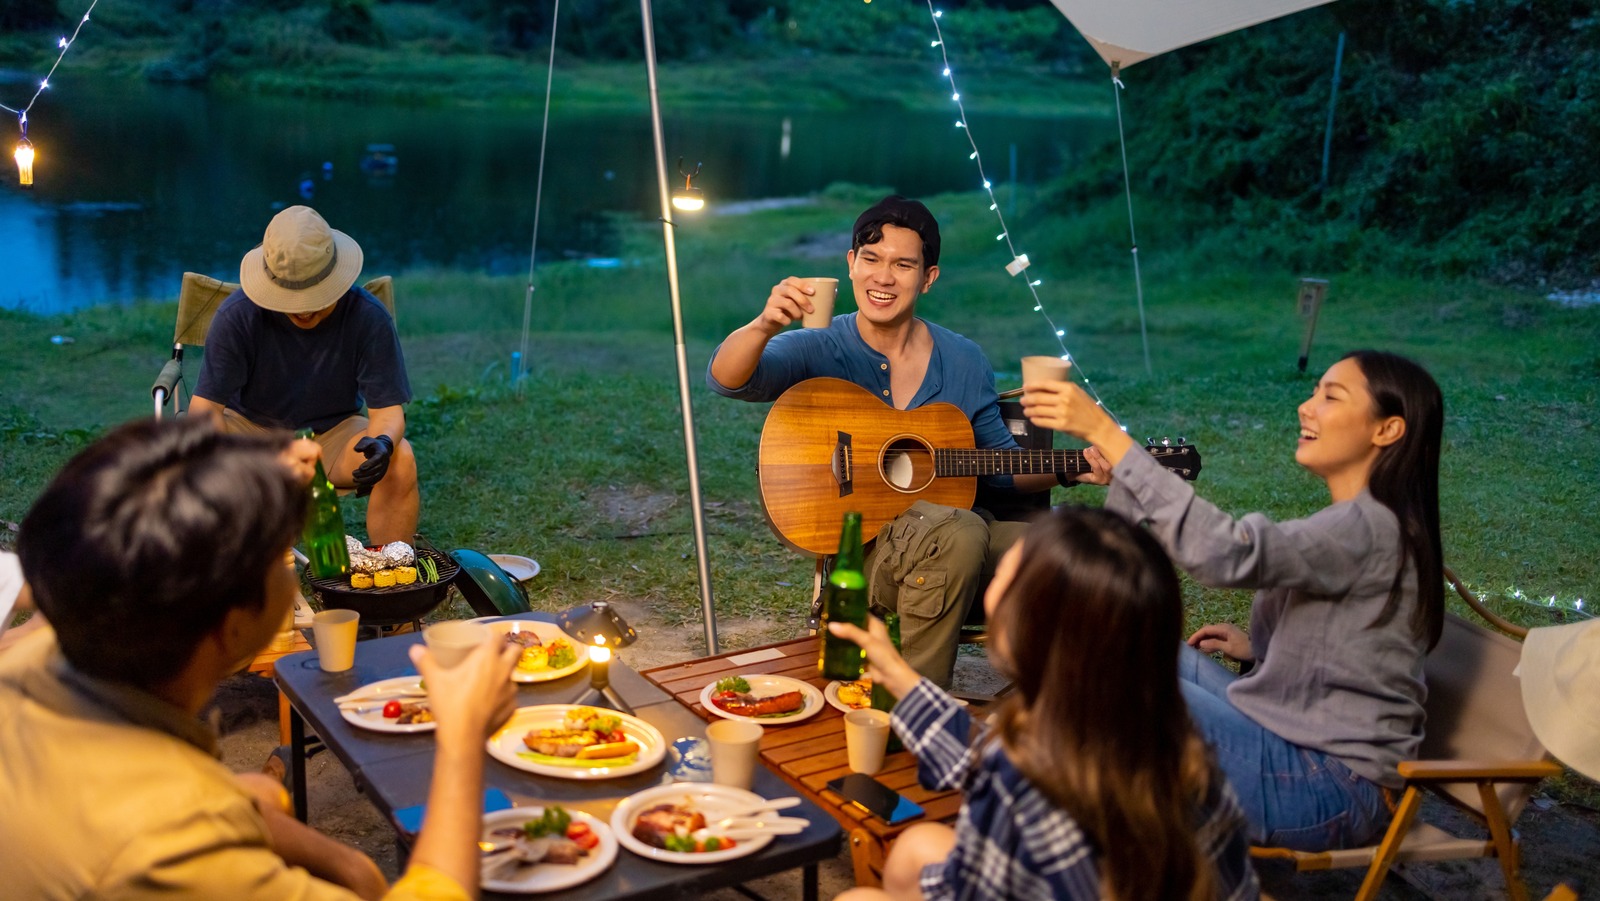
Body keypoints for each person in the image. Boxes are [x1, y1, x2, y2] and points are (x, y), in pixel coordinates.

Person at [1, 418, 520, 899]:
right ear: (229, 627)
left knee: (257, 794)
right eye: (281, 554)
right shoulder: (172, 847)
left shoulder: (61, 645)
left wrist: (350, 866)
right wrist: (460, 743)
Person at [1023, 349, 1445, 850]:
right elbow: (1357, 639)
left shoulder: (1366, 527)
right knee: (1118, 640)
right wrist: (1259, 650)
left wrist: (1110, 438)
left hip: (1328, 784)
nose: (1306, 407)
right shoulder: (1367, 521)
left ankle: (1069, 836)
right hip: (1297, 741)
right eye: (1314, 391)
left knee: (1104, 674)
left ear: (1387, 430)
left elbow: (1224, 553)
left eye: (1331, 396)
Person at [707, 195, 1106, 688]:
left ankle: (1069, 715)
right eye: (871, 259)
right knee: (960, 530)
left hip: (964, 539)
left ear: (928, 277)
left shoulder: (962, 358)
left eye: (903, 264)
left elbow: (1001, 465)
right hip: (871, 555)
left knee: (1084, 554)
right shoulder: (820, 344)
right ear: (851, 265)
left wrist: (1074, 466)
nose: (884, 277)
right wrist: (765, 325)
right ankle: (915, 711)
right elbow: (728, 380)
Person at [832, 506, 1259, 901]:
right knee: (917, 846)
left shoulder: (1018, 791)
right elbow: (992, 760)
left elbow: (975, 866)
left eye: (1007, 577)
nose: (993, 577)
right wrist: (904, 680)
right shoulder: (1187, 757)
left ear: (1030, 633)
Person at [189, 204, 419, 546]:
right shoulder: (238, 316)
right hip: (252, 436)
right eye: (292, 299)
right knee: (196, 452)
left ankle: (388, 577)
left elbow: (387, 412)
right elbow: (204, 412)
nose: (306, 310)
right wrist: (229, 461)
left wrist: (383, 442)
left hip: (332, 437)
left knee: (400, 458)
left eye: (315, 297)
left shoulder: (368, 317)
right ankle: (224, 578)